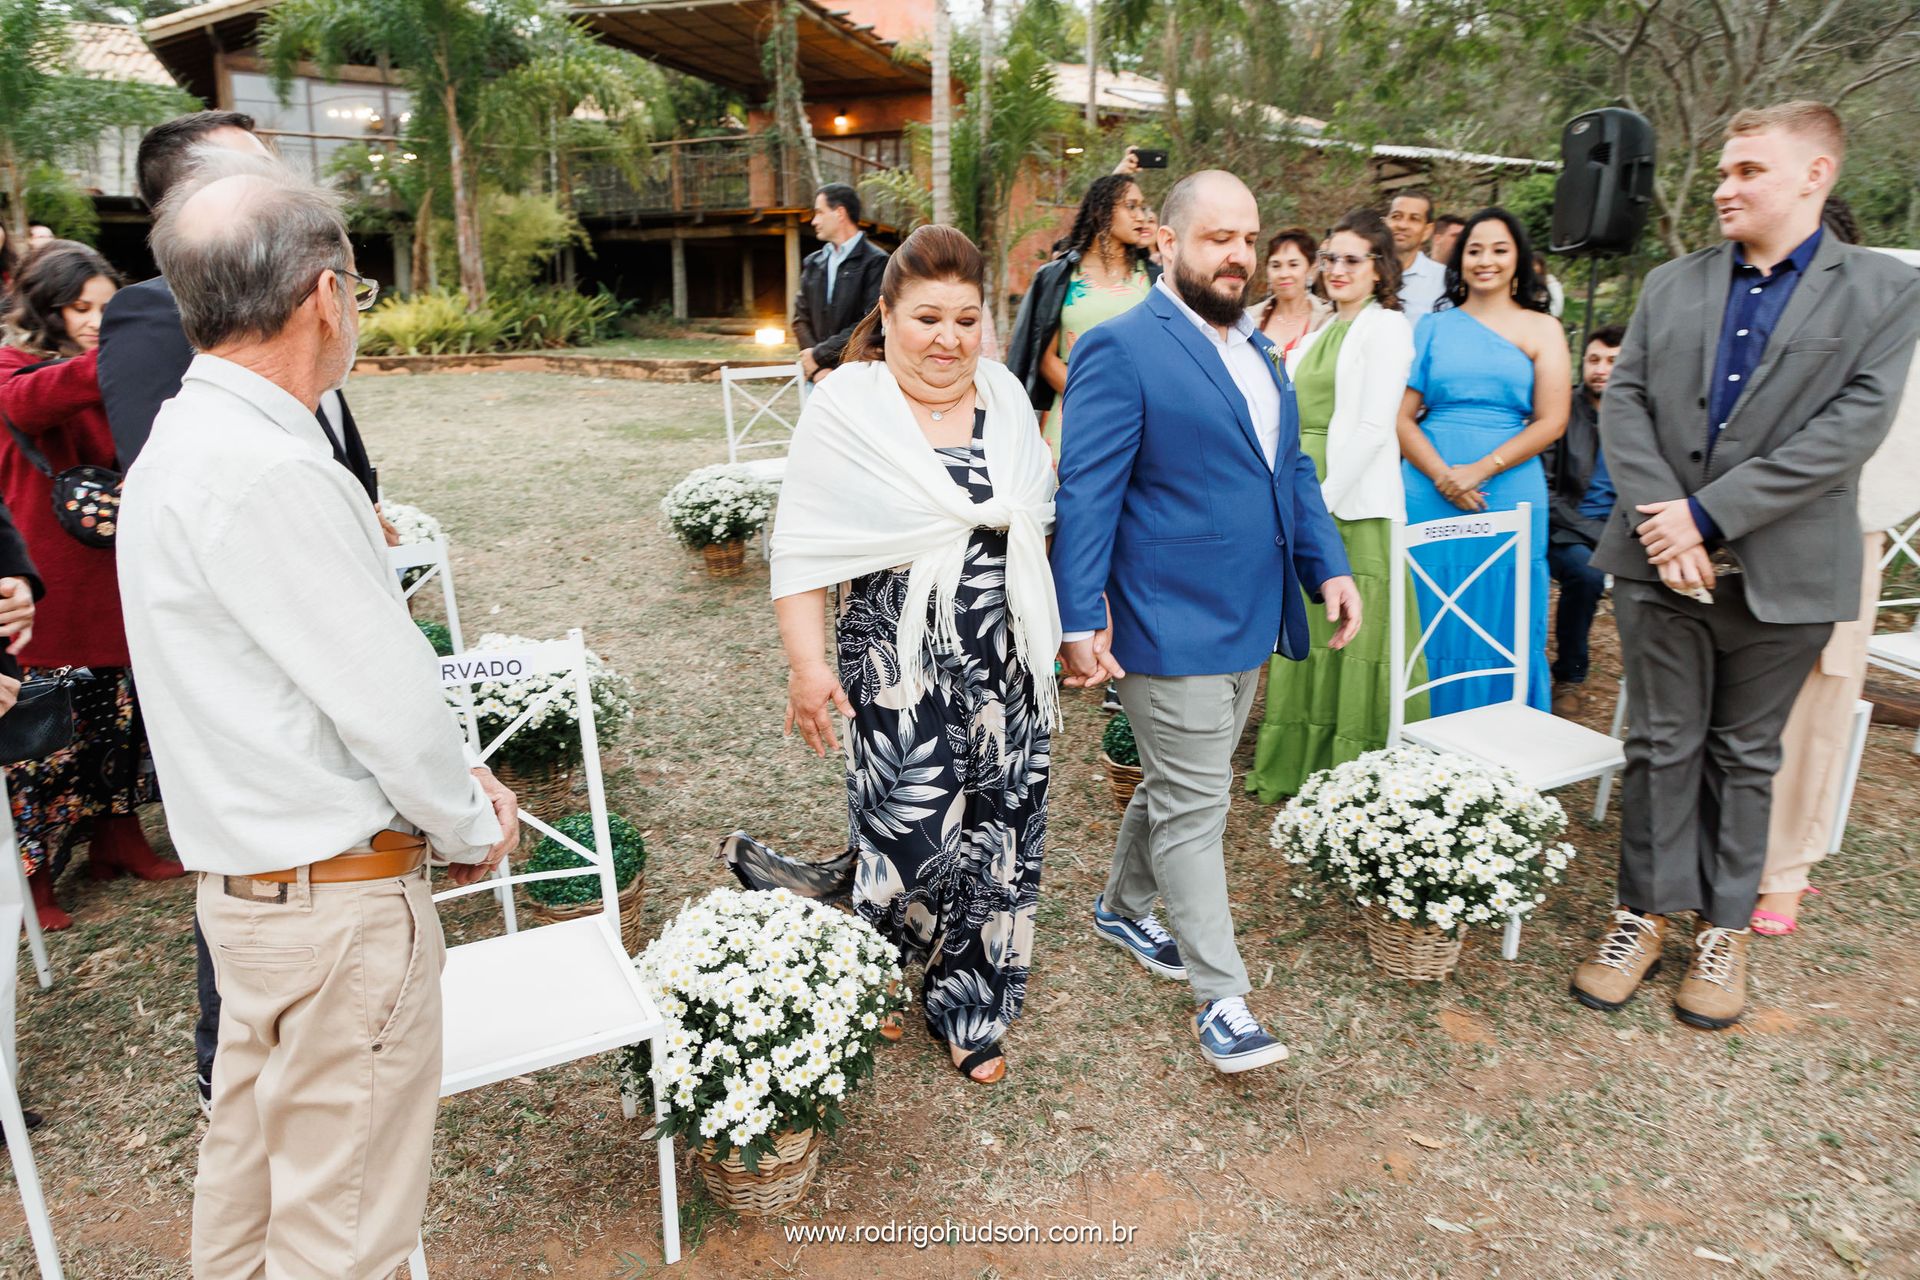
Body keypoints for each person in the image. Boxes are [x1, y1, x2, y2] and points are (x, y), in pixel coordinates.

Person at [116, 153, 517, 1278]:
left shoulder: (175, 446)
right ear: (324, 295)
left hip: (246, 903)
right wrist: (469, 818)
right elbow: (387, 698)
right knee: (341, 1237)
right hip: (334, 913)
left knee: (244, 1214)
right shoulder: (272, 467)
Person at [1573, 101, 1920, 1030]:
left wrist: (1706, 517)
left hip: (1790, 572)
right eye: (1724, 172)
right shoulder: (1672, 284)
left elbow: (1846, 433)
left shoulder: (1884, 291)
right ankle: (1640, 916)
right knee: (1658, 746)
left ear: (1815, 176)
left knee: (1744, 756)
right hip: (1658, 566)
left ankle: (1721, 932)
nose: (1726, 188)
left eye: (1748, 172)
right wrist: (1669, 529)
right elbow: (1628, 400)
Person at [104, 110, 392, 1116]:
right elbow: (230, 517)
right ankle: (229, 1065)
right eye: (263, 170)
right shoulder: (169, 338)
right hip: (280, 797)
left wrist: (359, 504)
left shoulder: (258, 384)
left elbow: (324, 451)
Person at [1053, 170, 1359, 1075]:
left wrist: (1328, 564)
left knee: (1180, 785)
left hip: (1249, 618)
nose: (1237, 254)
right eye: (1217, 237)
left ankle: (1119, 908)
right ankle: (1222, 998)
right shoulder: (1122, 347)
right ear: (1168, 243)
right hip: (1166, 618)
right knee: (1197, 804)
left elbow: (1288, 476)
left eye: (1247, 238)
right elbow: (1089, 490)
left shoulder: (1260, 354)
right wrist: (1079, 613)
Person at [768, 225, 1058, 1086]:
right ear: (886, 316)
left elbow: (1039, 525)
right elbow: (803, 547)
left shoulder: (1006, 399)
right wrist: (808, 665)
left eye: (966, 320)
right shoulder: (848, 408)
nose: (948, 339)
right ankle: (880, 968)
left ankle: (969, 1005)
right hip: (895, 658)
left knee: (998, 835)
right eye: (927, 317)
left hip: (1008, 659)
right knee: (908, 832)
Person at [0, 241, 181, 931]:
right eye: (80, 308)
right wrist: (131, 349)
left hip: (109, 574)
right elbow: (27, 403)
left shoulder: (103, 372)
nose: (95, 321)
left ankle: (117, 842)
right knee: (36, 747)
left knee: (114, 721)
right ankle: (33, 878)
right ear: (47, 308)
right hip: (42, 586)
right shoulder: (13, 364)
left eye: (109, 308)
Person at [1751, 196, 1920, 936]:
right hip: (1743, 532)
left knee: (1820, 703)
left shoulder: (1888, 318)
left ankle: (1784, 872)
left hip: (1843, 536)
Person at [1247, 209, 1420, 801]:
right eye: (1331, 258)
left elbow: (1374, 428)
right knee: (1311, 634)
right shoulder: (1321, 329)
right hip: (1307, 484)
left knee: (1356, 641)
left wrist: (1315, 509)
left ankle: (1361, 783)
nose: (1337, 269)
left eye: (1353, 259)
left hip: (1356, 502)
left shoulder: (1387, 327)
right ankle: (1302, 764)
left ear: (1380, 269)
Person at [1396, 208, 1569, 716]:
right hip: (1429, 490)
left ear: (1519, 259)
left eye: (1498, 249)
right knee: (1430, 609)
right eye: (1474, 250)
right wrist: (1444, 477)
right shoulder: (1432, 326)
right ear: (1459, 259)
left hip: (1508, 491)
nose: (1485, 260)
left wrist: (1479, 469)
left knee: (1503, 612)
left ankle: (1501, 739)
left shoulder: (1543, 329)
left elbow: (1552, 420)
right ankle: (1421, 739)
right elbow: (1402, 419)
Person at [1006, 174, 1158, 462]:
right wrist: (1095, 397)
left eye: (1143, 207)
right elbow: (1045, 356)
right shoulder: (1059, 277)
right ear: (1101, 212)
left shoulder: (1152, 278)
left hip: (1140, 419)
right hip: (1075, 415)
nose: (1142, 216)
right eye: (1131, 206)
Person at [1543, 325, 1625, 716]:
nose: (1601, 369)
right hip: (1566, 530)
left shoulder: (1639, 416)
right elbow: (1545, 491)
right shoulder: (1562, 410)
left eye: (1612, 361)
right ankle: (1570, 677)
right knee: (1587, 574)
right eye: (1594, 360)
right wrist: (1597, 534)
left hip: (1625, 531)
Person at [792, 182, 887, 384]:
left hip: (857, 376)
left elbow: (870, 322)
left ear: (840, 213)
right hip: (816, 379)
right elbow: (799, 318)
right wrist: (816, 369)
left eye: (819, 212)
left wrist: (818, 355)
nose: (814, 221)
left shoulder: (876, 262)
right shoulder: (813, 262)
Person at [1247, 227, 1331, 356]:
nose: (1284, 274)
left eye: (1293, 265)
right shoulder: (1248, 319)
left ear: (1311, 269)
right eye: (1276, 266)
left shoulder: (1328, 319)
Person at [1386, 189, 1446, 319]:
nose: (1402, 225)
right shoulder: (1366, 271)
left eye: (1414, 219)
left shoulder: (1443, 280)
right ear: (1386, 222)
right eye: (1396, 216)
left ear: (1427, 230)